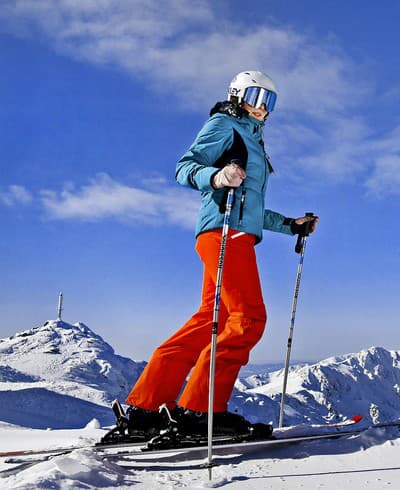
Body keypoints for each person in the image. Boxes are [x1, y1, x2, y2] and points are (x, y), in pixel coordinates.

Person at [109, 70, 317, 441]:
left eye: (270, 101)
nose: (263, 107)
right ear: (237, 94)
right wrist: (217, 177)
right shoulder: (224, 125)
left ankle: (146, 407)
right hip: (225, 236)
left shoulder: (253, 141)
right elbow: (184, 168)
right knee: (249, 318)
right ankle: (199, 412)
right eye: (256, 96)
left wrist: (291, 225)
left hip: (229, 232)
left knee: (212, 317)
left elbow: (251, 209)